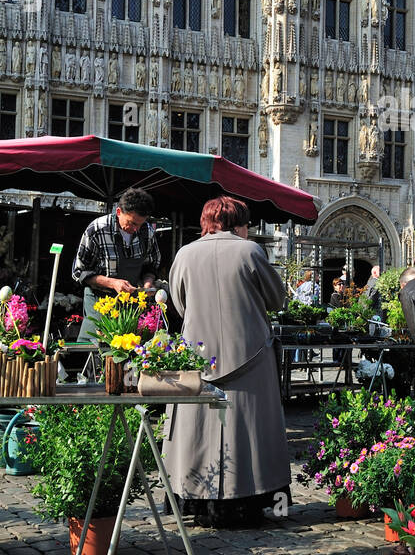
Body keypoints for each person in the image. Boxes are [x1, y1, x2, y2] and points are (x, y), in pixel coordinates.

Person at [162, 196, 291, 528]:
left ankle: (196, 498)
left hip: (198, 356)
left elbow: (178, 304)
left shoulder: (185, 254)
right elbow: (277, 299)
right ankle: (255, 499)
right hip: (250, 357)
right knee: (251, 430)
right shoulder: (249, 251)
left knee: (198, 432)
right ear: (239, 223)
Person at [72, 187, 161, 341]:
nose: (135, 229)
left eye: (140, 224)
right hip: (100, 305)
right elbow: (79, 272)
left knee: (130, 354)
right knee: (98, 352)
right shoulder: (97, 230)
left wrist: (147, 284)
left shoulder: (147, 232)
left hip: (131, 307)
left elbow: (150, 266)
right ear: (119, 212)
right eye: (132, 223)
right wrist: (112, 283)